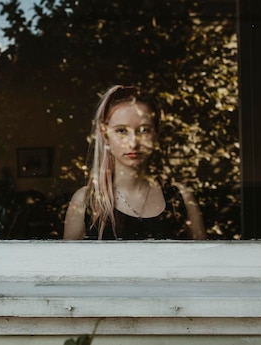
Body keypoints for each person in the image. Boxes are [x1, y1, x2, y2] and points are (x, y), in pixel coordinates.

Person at [64, 85, 206, 240]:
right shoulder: (85, 202)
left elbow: (203, 262)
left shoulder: (181, 199)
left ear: (156, 133)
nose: (133, 143)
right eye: (121, 131)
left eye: (144, 130)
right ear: (105, 136)